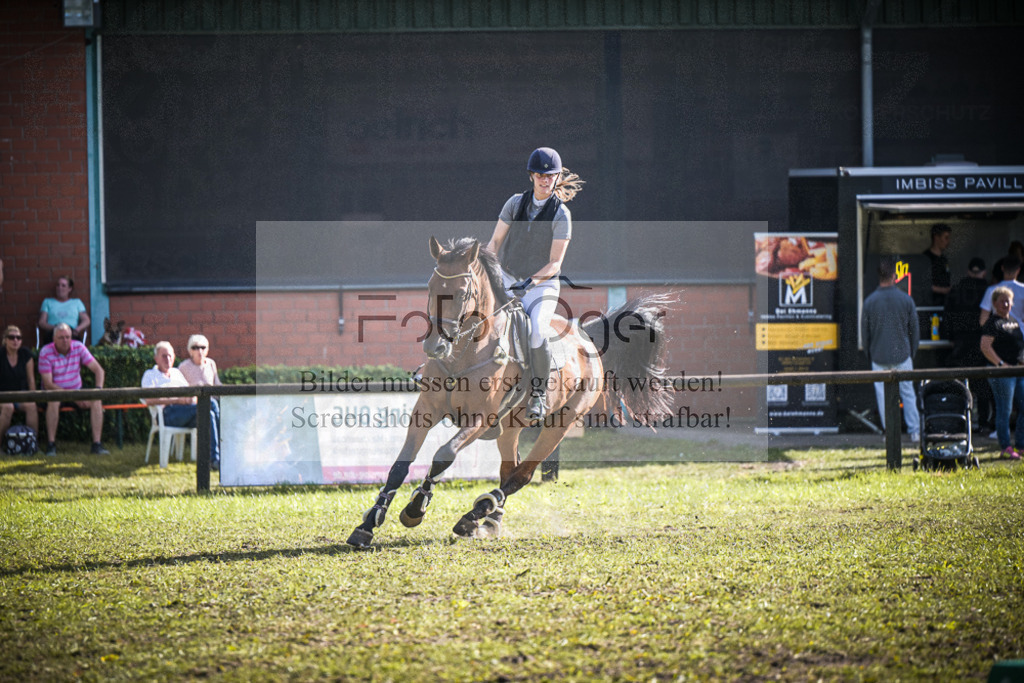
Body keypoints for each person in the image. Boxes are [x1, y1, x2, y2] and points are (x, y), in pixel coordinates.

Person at [485, 147, 584, 421]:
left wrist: (528, 284)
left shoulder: (561, 214)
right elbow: (494, 244)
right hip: (508, 276)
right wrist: (484, 271)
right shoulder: (515, 203)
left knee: (537, 331)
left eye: (550, 175)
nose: (545, 180)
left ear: (556, 177)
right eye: (540, 175)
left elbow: (555, 264)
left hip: (542, 285)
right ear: (532, 176)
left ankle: (538, 394)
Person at [862, 256, 921, 441]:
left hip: (878, 356)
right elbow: (915, 331)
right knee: (908, 394)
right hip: (903, 355)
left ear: (878, 275)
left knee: (883, 397)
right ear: (895, 275)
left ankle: (890, 433)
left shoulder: (870, 301)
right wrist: (911, 352)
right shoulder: (906, 299)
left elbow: (865, 334)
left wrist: (869, 353)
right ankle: (915, 432)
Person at [142, 341, 220, 470]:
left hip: (186, 412)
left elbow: (188, 393)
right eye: (163, 356)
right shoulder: (150, 375)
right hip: (167, 414)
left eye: (170, 356)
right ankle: (215, 458)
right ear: (156, 358)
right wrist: (177, 400)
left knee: (210, 408)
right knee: (208, 409)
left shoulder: (176, 373)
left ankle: (215, 458)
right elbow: (149, 400)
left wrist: (191, 399)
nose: (168, 359)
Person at [38, 323, 108, 456]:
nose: (65, 340)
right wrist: (74, 397)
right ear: (54, 339)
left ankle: (97, 444)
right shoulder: (45, 352)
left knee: (96, 399)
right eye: (61, 338)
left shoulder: (79, 347)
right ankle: (51, 445)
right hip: (55, 393)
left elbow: (99, 370)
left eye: (68, 337)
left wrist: (98, 389)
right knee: (54, 401)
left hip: (76, 390)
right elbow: (48, 384)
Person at [943, 257, 994, 430]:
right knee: (982, 385)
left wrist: (950, 338)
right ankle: (984, 423)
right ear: (984, 272)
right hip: (981, 343)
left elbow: (947, 317)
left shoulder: (956, 289)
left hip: (961, 343)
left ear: (967, 272)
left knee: (961, 385)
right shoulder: (989, 291)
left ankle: (960, 422)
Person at [979, 286, 1024, 460]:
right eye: (1002, 301)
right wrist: (1001, 364)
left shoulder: (1013, 321)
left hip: (1019, 371)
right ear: (994, 304)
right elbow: (985, 346)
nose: (1006, 304)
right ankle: (1005, 446)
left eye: (1008, 300)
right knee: (1004, 410)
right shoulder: (992, 323)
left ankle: (1020, 445)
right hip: (1002, 374)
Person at [177, 334, 222, 464]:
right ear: (190, 351)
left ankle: (219, 454)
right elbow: (180, 392)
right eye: (195, 347)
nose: (199, 351)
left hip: (211, 406)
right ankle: (215, 457)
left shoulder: (211, 364)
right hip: (191, 409)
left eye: (203, 347)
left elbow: (218, 385)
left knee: (214, 410)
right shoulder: (183, 367)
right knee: (212, 407)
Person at [0, 325, 39, 443]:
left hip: (20, 394)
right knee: (8, 407)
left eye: (18, 337)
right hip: (3, 395)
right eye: (11, 337)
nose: (15, 340)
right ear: (5, 340)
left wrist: (33, 397)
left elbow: (31, 379)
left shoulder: (25, 354)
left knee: (31, 406)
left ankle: (32, 442)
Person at [38, 275, 90, 342]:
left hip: (71, 333)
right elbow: (42, 322)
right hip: (53, 333)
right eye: (58, 285)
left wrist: (77, 329)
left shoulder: (77, 302)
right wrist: (56, 328)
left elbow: (86, 320)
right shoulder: (48, 302)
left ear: (70, 289)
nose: (60, 288)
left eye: (63, 285)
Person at [980, 256, 1024, 326]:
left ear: (1002, 268)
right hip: (1020, 333)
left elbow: (983, 320)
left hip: (999, 332)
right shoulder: (1022, 289)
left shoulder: (991, 290)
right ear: (1018, 270)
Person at [923, 223, 952, 306]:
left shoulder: (944, 259)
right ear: (936, 237)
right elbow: (922, 283)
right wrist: (942, 290)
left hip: (944, 303)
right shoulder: (926, 258)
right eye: (946, 238)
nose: (948, 241)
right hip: (930, 303)